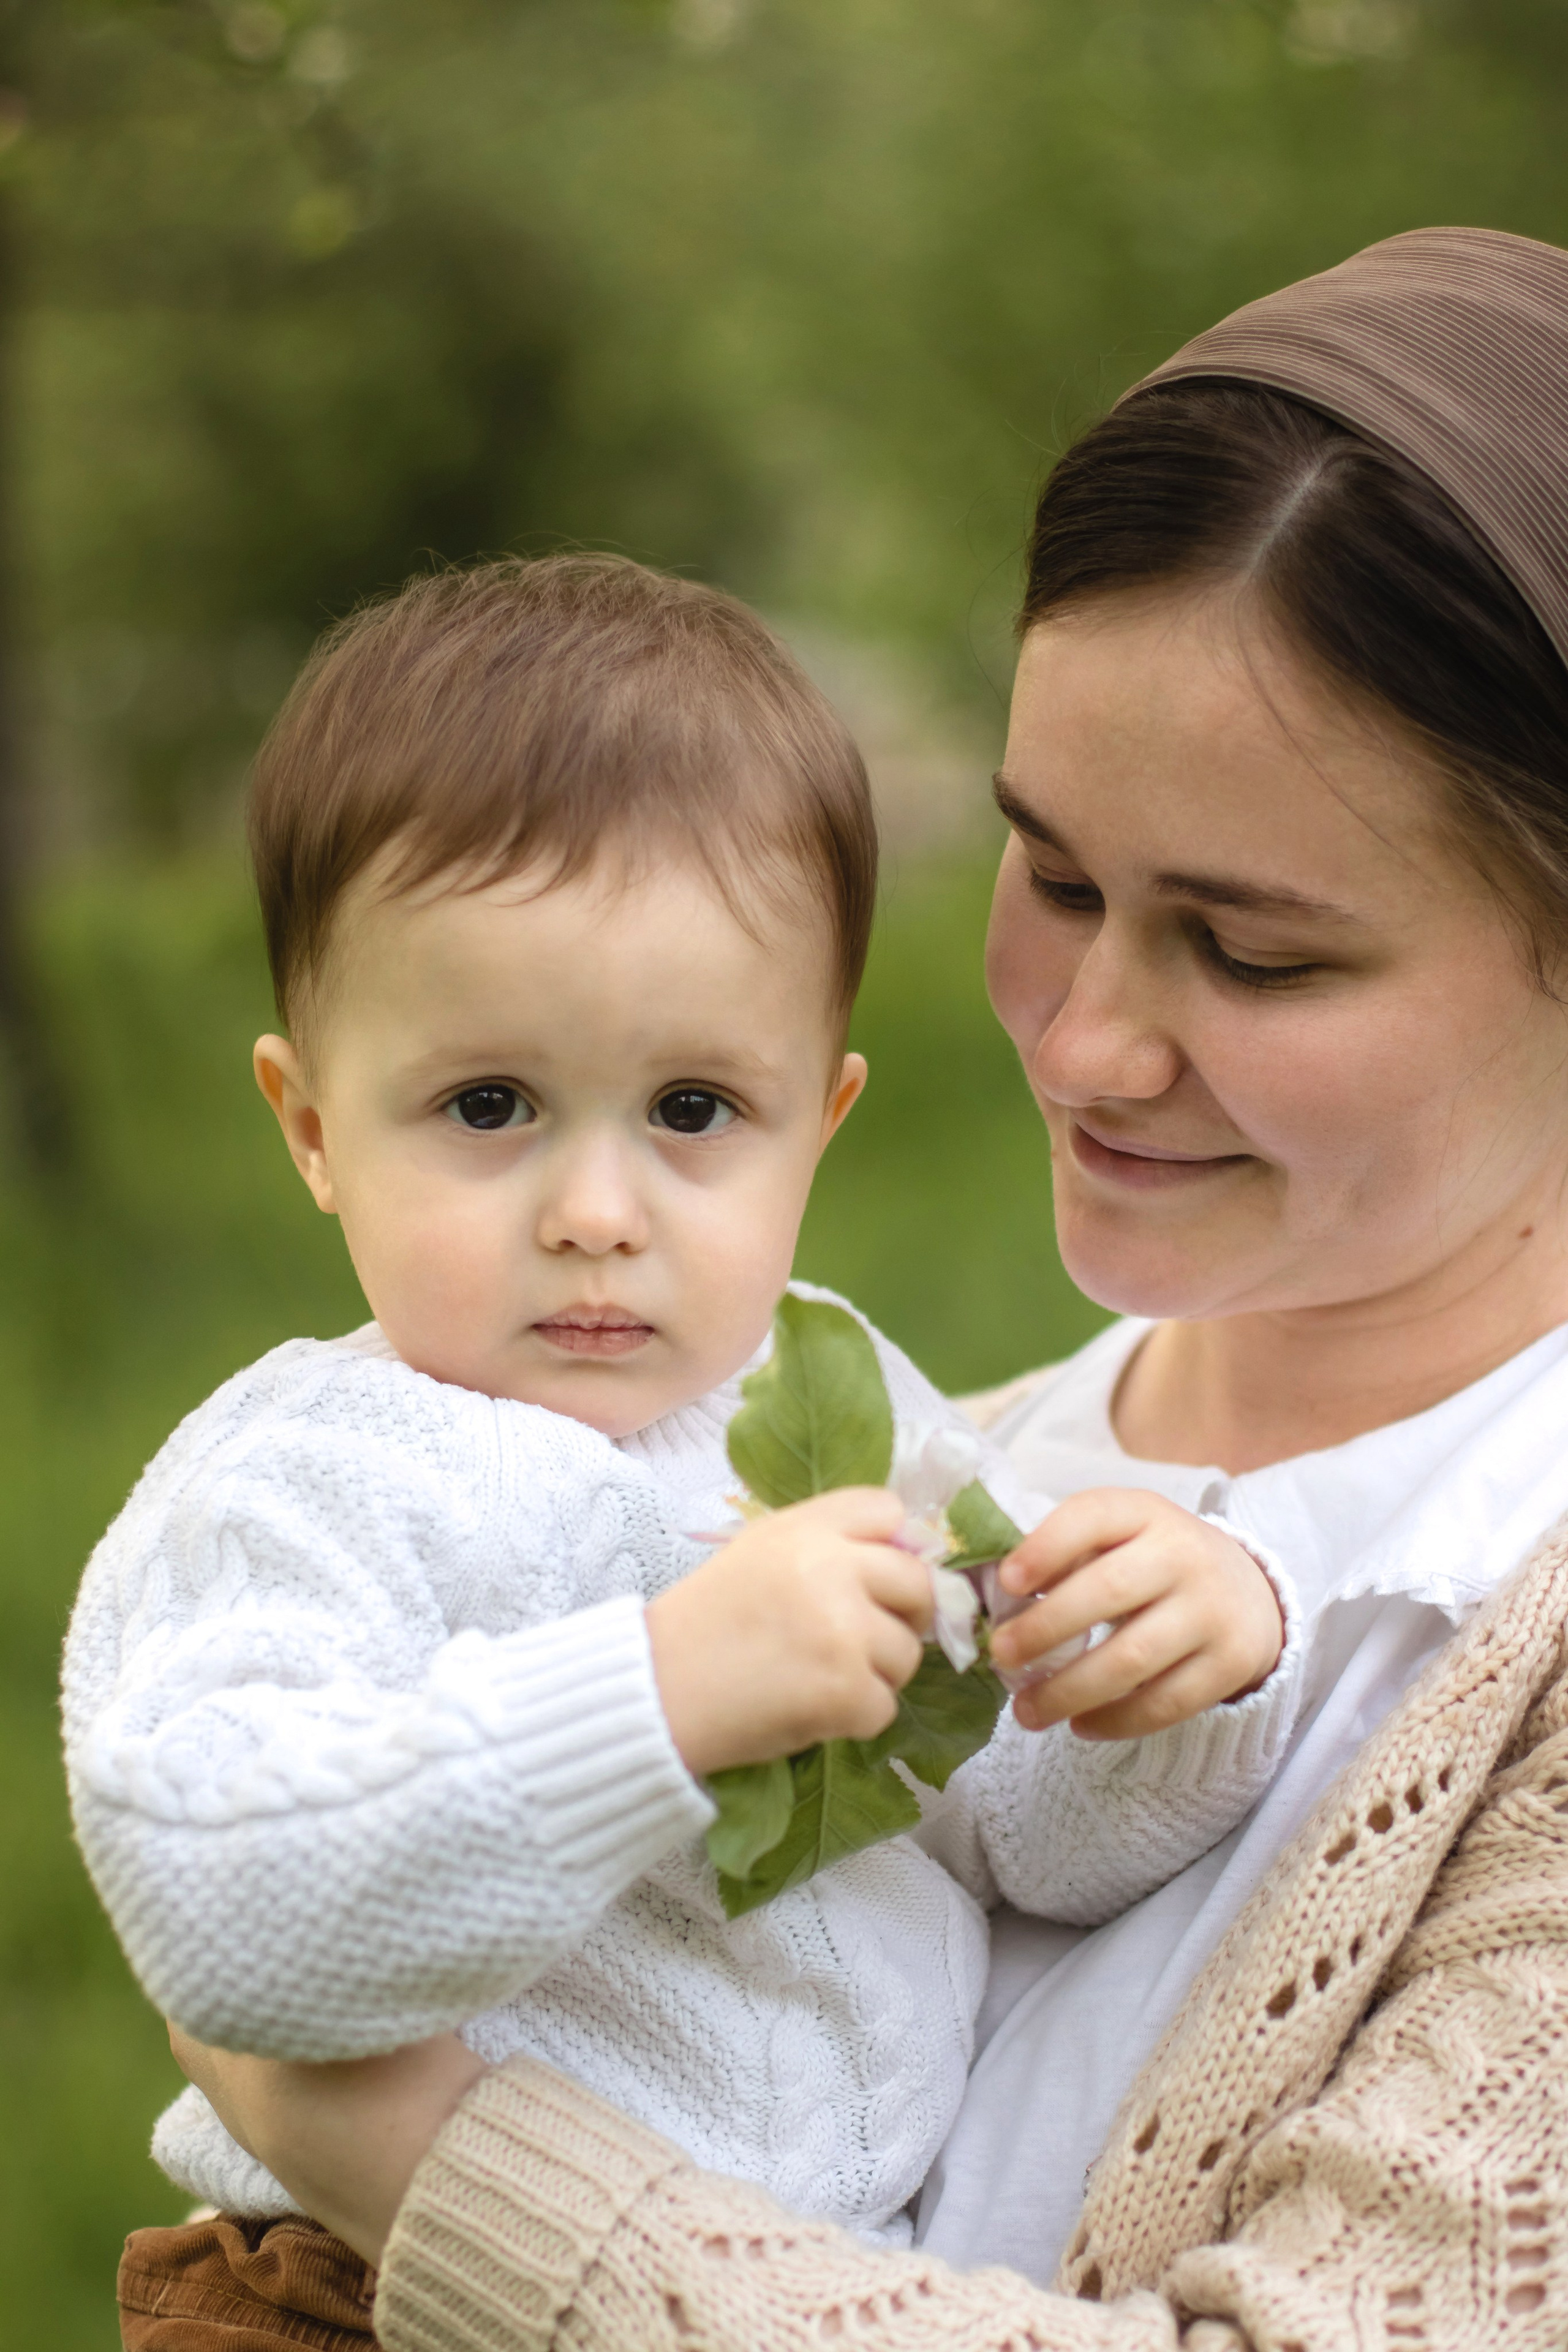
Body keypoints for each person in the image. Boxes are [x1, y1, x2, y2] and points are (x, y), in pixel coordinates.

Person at [162, 223, 1568, 2350]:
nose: (1086, 1041)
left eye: (1259, 950)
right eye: (1057, 874)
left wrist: (436, 2175)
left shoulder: (1507, 1639)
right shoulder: (909, 1457)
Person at [67, 554, 1292, 2343]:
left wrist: (1161, 1681)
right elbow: (218, 1910)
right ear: (315, 1123)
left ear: (822, 1122)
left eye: (694, 1111)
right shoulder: (317, 1479)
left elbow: (1015, 1831)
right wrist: (655, 1696)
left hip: (788, 2283)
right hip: (359, 2289)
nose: (593, 1210)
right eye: (488, 1107)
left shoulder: (835, 1401)